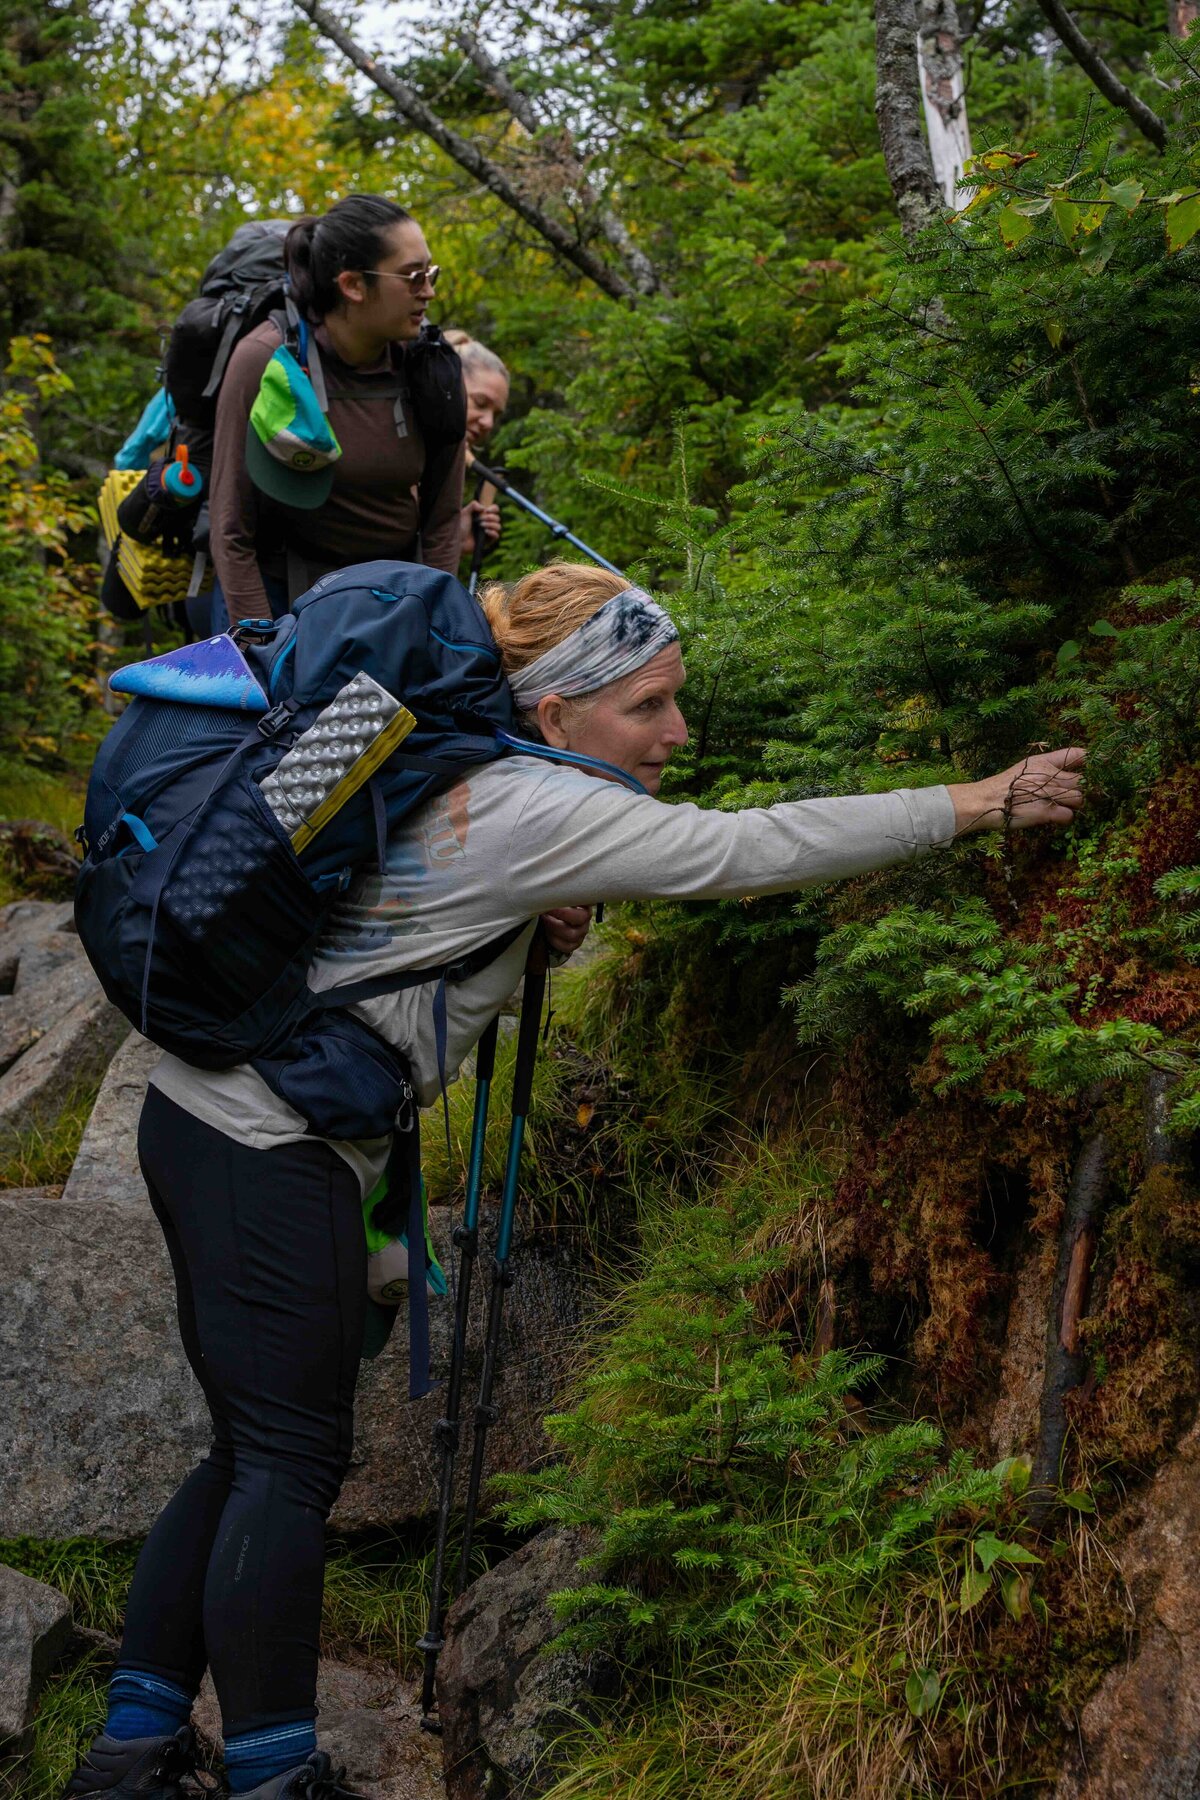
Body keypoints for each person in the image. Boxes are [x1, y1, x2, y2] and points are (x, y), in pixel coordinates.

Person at [64, 562, 1085, 1800]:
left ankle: (132, 1752)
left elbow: (395, 913)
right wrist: (979, 801)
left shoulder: (459, 761)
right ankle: (275, 1775)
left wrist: (516, 924)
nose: (677, 733)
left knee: (250, 1451)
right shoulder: (534, 798)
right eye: (649, 705)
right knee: (286, 1461)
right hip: (264, 1149)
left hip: (217, 1124)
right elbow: (748, 850)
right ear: (556, 712)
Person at [204, 194, 466, 633]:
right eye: (413, 276)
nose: (429, 290)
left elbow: (442, 520)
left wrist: (435, 621)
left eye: (430, 272)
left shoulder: (430, 369)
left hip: (393, 596)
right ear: (353, 285)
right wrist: (263, 646)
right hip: (280, 593)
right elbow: (231, 530)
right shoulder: (265, 361)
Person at [443, 332, 510, 562]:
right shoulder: (407, 455)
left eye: (496, 415)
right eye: (480, 403)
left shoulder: (449, 464)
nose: (488, 423)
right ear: (447, 385)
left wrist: (456, 538)